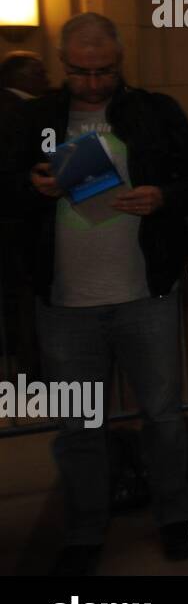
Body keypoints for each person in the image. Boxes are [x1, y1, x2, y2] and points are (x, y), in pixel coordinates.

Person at [0, 13, 188, 574]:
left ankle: (174, 518)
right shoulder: (35, 116)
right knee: (79, 427)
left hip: (145, 295)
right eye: (81, 72)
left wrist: (162, 197)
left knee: (163, 416)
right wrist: (30, 185)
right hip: (65, 304)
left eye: (105, 71)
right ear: (62, 64)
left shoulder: (155, 110)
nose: (94, 83)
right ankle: (86, 529)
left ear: (121, 62)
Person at [0, 50, 50, 380]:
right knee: (29, 300)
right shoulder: (23, 113)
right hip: (22, 223)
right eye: (41, 72)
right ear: (23, 76)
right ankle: (35, 372)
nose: (47, 79)